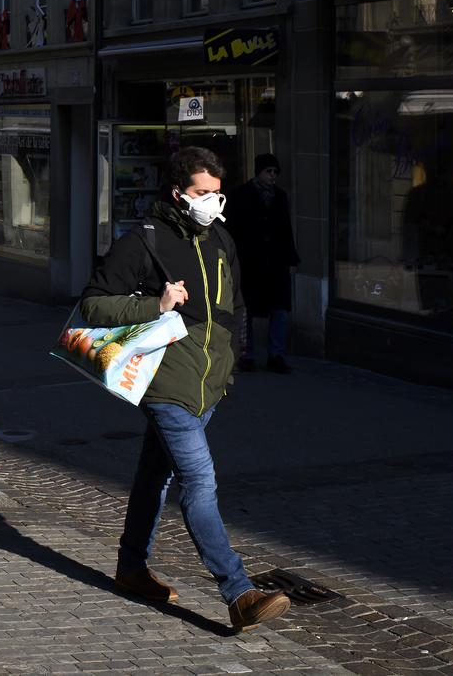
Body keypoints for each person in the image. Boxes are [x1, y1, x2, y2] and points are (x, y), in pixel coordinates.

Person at [80, 146, 291, 632]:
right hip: (166, 383)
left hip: (209, 386)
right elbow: (92, 306)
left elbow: (234, 308)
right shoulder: (144, 240)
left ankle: (131, 568)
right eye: (202, 193)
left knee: (156, 474)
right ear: (177, 193)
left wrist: (231, 366)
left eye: (217, 194)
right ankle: (239, 593)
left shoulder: (221, 238)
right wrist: (155, 305)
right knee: (200, 481)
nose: (213, 203)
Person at [225, 153, 301, 374]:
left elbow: (286, 229)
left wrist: (290, 257)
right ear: (259, 172)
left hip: (275, 263)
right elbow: (232, 229)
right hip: (250, 261)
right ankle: (247, 354)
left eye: (275, 172)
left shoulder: (280, 196)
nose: (273, 176)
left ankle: (275, 354)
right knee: (247, 307)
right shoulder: (241, 195)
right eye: (269, 171)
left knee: (280, 308)